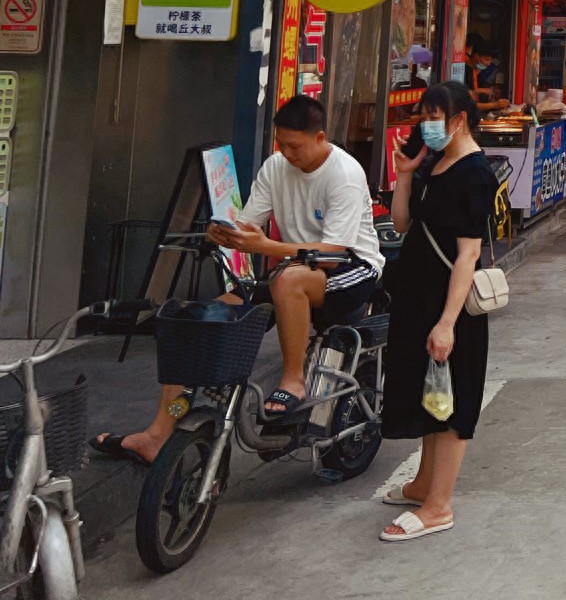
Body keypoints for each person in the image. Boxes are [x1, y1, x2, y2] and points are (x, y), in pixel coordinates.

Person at [93, 96, 383, 462]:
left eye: (295, 146)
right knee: (201, 322)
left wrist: (265, 246)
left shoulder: (345, 174)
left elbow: (333, 253)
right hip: (292, 267)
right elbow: (250, 223)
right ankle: (158, 433)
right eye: (281, 144)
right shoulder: (276, 166)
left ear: (320, 137)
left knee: (288, 280)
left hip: (350, 269)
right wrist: (228, 233)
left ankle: (292, 380)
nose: (286, 153)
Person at [380, 82, 495, 541]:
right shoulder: (436, 162)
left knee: (451, 401)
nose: (425, 125)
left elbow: (468, 254)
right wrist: (406, 175)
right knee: (431, 395)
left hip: (451, 305)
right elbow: (404, 224)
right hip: (418, 295)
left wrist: (448, 323)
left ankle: (438, 506)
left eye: (433, 116)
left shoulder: (475, 173)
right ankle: (424, 484)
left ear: (458, 119)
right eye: (422, 116)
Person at [466, 38, 511, 115]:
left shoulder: (474, 71)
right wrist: (494, 105)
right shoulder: (466, 71)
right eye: (487, 59)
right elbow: (468, 105)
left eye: (490, 60)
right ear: (476, 56)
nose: (489, 63)